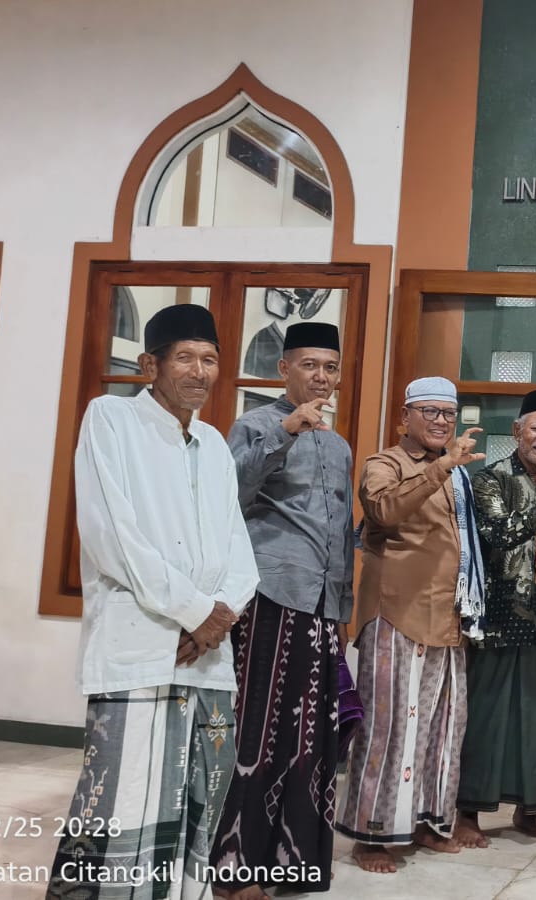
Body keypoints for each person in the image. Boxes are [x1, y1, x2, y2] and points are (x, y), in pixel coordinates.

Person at [49, 304, 259, 900]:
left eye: (210, 359)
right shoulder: (111, 419)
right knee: (121, 799)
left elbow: (240, 550)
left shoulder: (214, 444)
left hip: (206, 657)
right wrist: (198, 612)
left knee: (199, 799)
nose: (200, 371)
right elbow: (114, 538)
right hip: (140, 646)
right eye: (185, 357)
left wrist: (218, 618)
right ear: (150, 365)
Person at [209, 322, 353, 897]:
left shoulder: (340, 445)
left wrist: (342, 603)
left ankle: (292, 862)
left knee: (310, 740)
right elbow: (228, 494)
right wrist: (286, 432)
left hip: (321, 606)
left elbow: (341, 532)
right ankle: (235, 864)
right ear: (283, 369)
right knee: (259, 733)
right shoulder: (255, 425)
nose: (321, 377)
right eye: (309, 365)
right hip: (270, 596)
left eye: (330, 367)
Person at [335, 376, 485, 869]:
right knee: (389, 727)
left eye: (449, 413)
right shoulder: (386, 463)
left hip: (449, 616)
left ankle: (425, 821)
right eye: (430, 412)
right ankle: (370, 835)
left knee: (442, 730)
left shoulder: (458, 473)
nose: (442, 421)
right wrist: (441, 467)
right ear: (405, 417)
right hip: (397, 612)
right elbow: (383, 509)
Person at [454, 389, 536, 848]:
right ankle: (468, 813)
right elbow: (496, 535)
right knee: (486, 717)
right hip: (498, 614)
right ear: (517, 431)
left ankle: (529, 812)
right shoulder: (490, 479)